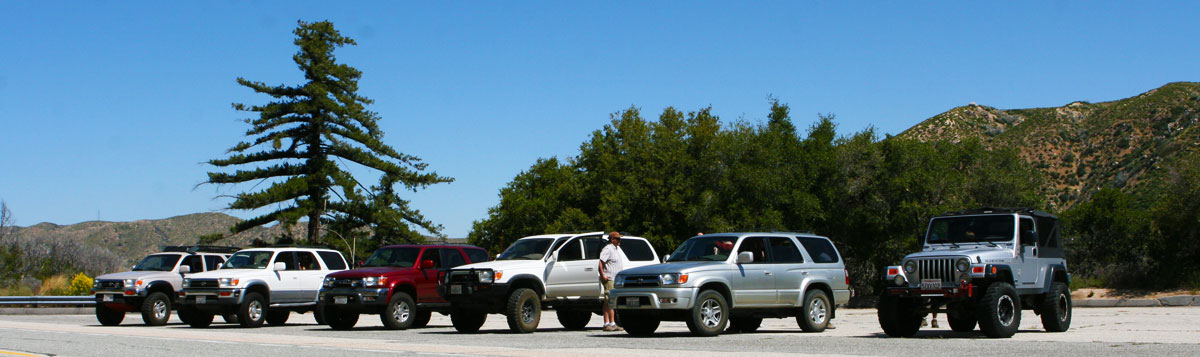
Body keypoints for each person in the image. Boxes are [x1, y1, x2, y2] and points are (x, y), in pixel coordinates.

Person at [598, 231, 627, 331]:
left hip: (615, 279)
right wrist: (603, 275)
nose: (620, 240)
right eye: (618, 239)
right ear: (612, 239)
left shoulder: (616, 249)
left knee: (608, 301)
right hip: (609, 278)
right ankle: (610, 323)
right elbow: (601, 262)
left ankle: (609, 323)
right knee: (610, 301)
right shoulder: (608, 249)